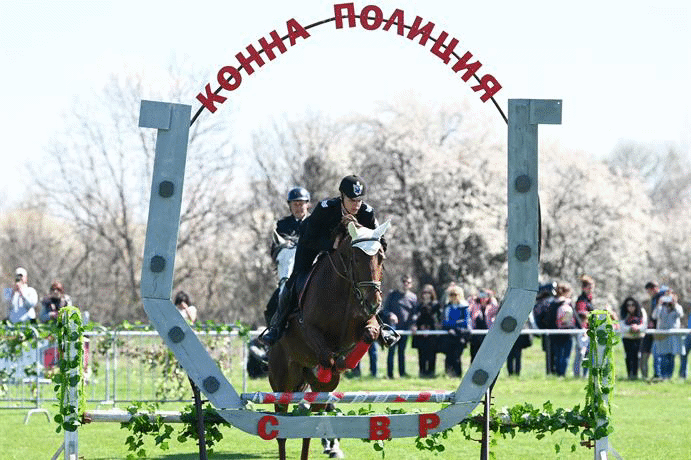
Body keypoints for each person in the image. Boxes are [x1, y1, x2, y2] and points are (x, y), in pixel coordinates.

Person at [261, 175, 395, 348]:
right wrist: (331, 244)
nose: (356, 205)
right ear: (342, 197)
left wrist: (379, 251)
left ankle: (381, 326)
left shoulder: (367, 212)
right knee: (293, 281)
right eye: (352, 200)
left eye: (359, 201)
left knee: (367, 280)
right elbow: (309, 238)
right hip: (311, 247)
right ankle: (277, 326)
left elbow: (379, 239)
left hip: (348, 255)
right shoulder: (325, 209)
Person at [264, 187, 311, 323]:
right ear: (289, 205)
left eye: (301, 204)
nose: (298, 207)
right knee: (271, 308)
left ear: (307, 204)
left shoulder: (315, 222)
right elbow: (275, 249)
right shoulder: (282, 225)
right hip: (288, 273)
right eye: (294, 204)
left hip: (310, 270)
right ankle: (273, 337)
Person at [381, 275, 417, 378]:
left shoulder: (413, 297)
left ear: (411, 284)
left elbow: (414, 313)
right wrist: (390, 315)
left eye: (408, 282)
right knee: (391, 351)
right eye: (404, 281)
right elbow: (385, 309)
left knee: (402, 351)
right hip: (392, 328)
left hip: (405, 328)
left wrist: (413, 324)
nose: (406, 284)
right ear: (400, 283)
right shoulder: (392, 294)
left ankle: (402, 373)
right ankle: (390, 374)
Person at [410, 284, 441, 378]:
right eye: (424, 293)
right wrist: (414, 326)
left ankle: (431, 373)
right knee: (421, 354)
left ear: (432, 293)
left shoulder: (436, 305)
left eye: (428, 293)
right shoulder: (418, 305)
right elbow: (415, 318)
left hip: (432, 333)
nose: (426, 295)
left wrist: (433, 327)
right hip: (420, 333)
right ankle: (422, 373)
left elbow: (438, 319)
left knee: (432, 354)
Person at [441, 285, 471, 377]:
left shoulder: (464, 307)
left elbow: (465, 322)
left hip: (460, 335)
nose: (453, 296)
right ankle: (448, 374)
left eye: (456, 294)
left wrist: (452, 323)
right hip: (449, 335)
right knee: (448, 356)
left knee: (457, 356)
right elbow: (445, 323)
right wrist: (457, 322)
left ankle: (457, 375)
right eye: (451, 294)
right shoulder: (447, 307)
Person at [652, 293, 685, 379]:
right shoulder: (661, 307)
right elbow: (654, 316)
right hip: (662, 334)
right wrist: (659, 304)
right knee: (663, 355)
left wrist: (675, 304)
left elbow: (680, 314)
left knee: (671, 356)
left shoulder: (677, 307)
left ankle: (669, 376)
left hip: (673, 335)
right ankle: (663, 375)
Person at [643, 281, 668, 378]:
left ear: (653, 289)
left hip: (662, 329)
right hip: (655, 328)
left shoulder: (662, 296)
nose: (648, 293)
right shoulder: (654, 298)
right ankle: (658, 374)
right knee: (656, 352)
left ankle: (660, 374)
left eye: (649, 291)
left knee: (660, 352)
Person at [550, 282, 576, 377]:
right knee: (565, 354)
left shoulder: (553, 303)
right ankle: (562, 373)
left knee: (558, 354)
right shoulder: (568, 303)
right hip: (567, 332)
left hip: (556, 332)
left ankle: (557, 372)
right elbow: (575, 317)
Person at [618, 297, 647, 380]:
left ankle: (635, 375)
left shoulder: (641, 311)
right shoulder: (623, 313)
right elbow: (621, 325)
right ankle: (629, 375)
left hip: (639, 337)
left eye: (633, 305)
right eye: (628, 305)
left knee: (637, 356)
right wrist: (630, 328)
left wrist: (637, 328)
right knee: (628, 356)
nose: (631, 307)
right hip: (627, 337)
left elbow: (644, 324)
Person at [467, 289, 499, 362]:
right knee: (474, 355)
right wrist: (473, 299)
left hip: (488, 334)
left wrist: (492, 299)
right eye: (481, 296)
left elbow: (497, 309)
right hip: (475, 334)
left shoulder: (492, 306)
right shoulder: (474, 305)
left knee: (487, 355)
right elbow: (468, 308)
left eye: (485, 296)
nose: (483, 298)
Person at [572, 275, 595, 378]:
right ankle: (577, 374)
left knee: (587, 353)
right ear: (584, 288)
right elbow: (582, 314)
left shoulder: (588, 300)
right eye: (589, 287)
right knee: (580, 353)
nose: (591, 289)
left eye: (592, 287)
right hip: (582, 330)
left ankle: (585, 374)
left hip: (588, 329)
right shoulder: (582, 300)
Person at [533, 281, 557, 374]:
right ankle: (550, 371)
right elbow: (539, 318)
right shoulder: (543, 303)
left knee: (554, 352)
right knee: (549, 352)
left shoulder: (546, 302)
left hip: (552, 330)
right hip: (547, 331)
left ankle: (552, 371)